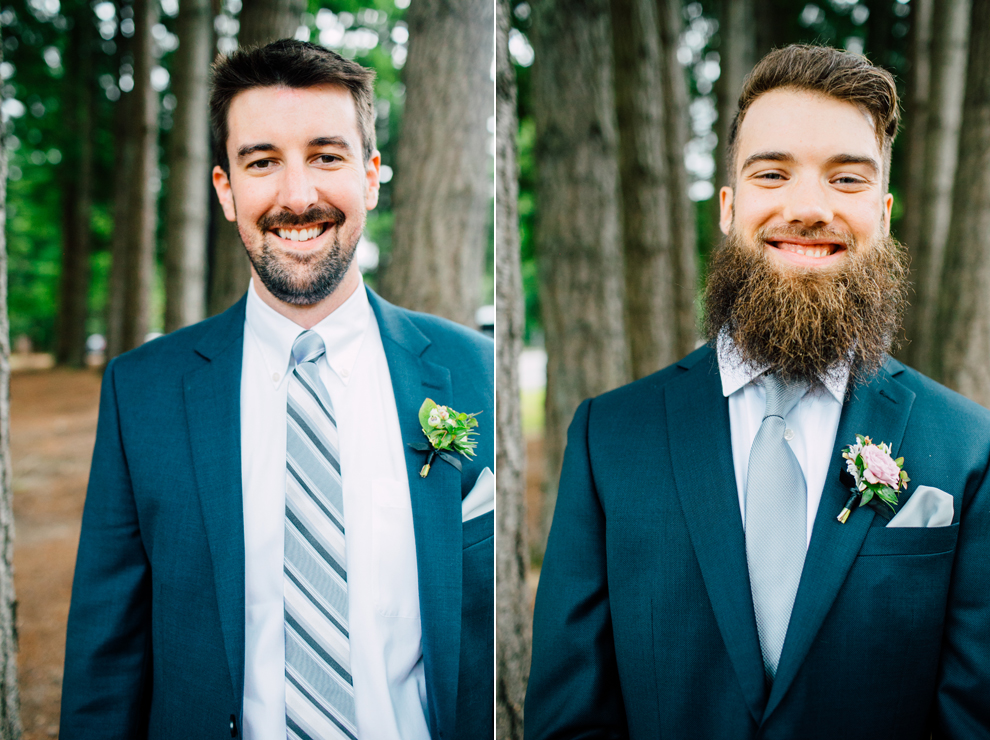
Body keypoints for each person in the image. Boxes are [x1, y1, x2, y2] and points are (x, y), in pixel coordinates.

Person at [525, 44, 990, 739]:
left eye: (846, 180)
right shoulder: (608, 438)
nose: (808, 208)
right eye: (773, 173)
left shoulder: (967, 447)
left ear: (884, 213)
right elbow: (571, 719)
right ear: (729, 206)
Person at [59, 40, 494, 740]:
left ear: (372, 176)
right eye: (263, 162)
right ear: (227, 190)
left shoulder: (478, 372)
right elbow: (106, 668)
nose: (298, 196)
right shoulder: (141, 394)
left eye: (327, 156)